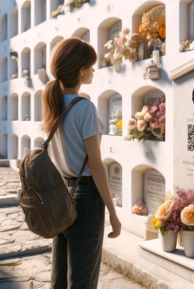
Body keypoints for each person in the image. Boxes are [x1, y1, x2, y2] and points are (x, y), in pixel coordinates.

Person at [42, 38, 122, 289]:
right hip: (86, 196)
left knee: (60, 276)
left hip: (60, 193)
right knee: (83, 279)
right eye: (90, 65)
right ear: (80, 70)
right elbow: (96, 166)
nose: (94, 70)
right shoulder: (85, 108)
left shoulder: (52, 103)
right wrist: (113, 211)